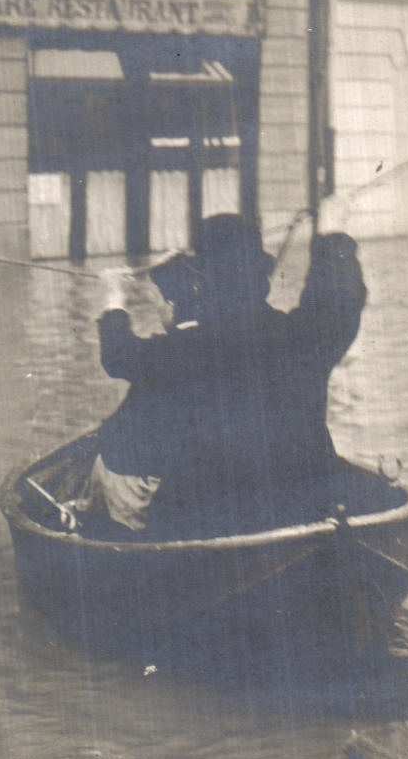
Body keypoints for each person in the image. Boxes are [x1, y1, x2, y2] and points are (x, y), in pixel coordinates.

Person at [83, 214, 366, 539]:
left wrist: (114, 300)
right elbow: (342, 301)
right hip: (307, 515)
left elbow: (118, 356)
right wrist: (333, 238)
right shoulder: (302, 336)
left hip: (209, 529)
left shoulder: (187, 349)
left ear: (201, 284)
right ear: (259, 277)